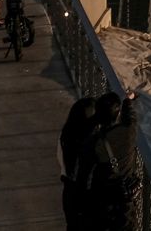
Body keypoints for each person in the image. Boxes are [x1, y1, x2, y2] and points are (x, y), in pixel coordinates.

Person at [77, 91, 141, 230]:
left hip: (101, 200)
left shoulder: (94, 142)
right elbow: (130, 117)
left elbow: (84, 172)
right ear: (117, 115)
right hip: (123, 203)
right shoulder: (128, 132)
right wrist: (127, 101)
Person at [58, 97, 101, 229]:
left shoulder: (65, 135)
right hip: (86, 195)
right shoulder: (91, 143)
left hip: (69, 193)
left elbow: (61, 161)